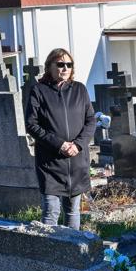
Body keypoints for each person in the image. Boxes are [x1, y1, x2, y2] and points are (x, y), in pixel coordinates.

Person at [24, 48, 97, 230]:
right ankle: (50, 254)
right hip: (51, 163)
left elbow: (90, 121)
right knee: (51, 211)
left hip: (77, 160)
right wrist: (59, 144)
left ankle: (73, 255)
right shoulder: (39, 91)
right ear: (50, 66)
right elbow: (32, 124)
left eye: (68, 65)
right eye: (60, 64)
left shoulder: (80, 89)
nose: (65, 68)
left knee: (73, 211)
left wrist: (78, 145)